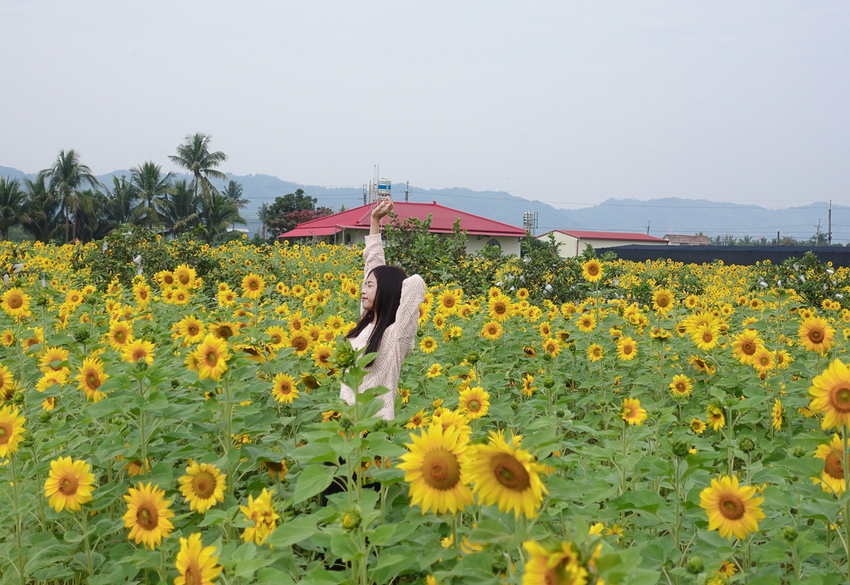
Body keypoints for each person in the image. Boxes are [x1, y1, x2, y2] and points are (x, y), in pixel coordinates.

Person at [340, 197, 426, 421]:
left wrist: (393, 282)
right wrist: (375, 220)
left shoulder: (397, 336)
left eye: (369, 286)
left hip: (375, 426)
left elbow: (414, 284)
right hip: (348, 421)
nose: (363, 290)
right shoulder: (365, 325)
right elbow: (373, 262)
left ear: (387, 292)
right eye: (364, 284)